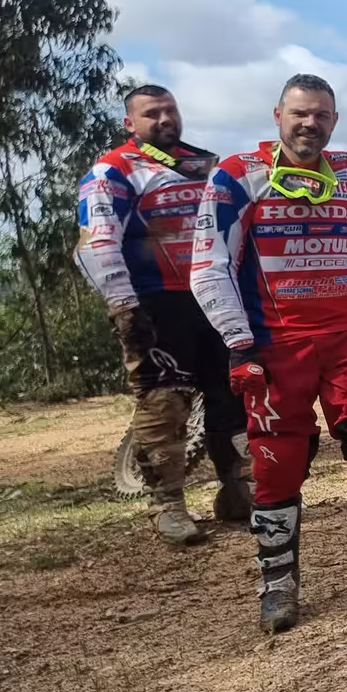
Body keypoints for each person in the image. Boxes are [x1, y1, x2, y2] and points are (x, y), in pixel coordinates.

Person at [192, 74, 347, 632]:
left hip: (344, 334)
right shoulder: (238, 176)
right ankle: (277, 585)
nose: (310, 123)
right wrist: (238, 344)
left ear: (334, 120)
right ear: (278, 115)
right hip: (273, 342)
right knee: (276, 461)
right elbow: (208, 266)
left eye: (321, 114)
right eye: (300, 113)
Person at [75, 85, 250, 546]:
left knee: (232, 393)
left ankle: (237, 490)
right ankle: (168, 505)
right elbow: (96, 243)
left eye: (170, 110)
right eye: (151, 113)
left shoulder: (205, 167)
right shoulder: (113, 170)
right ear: (130, 123)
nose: (164, 119)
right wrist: (124, 307)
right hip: (155, 303)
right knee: (164, 403)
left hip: (216, 298)